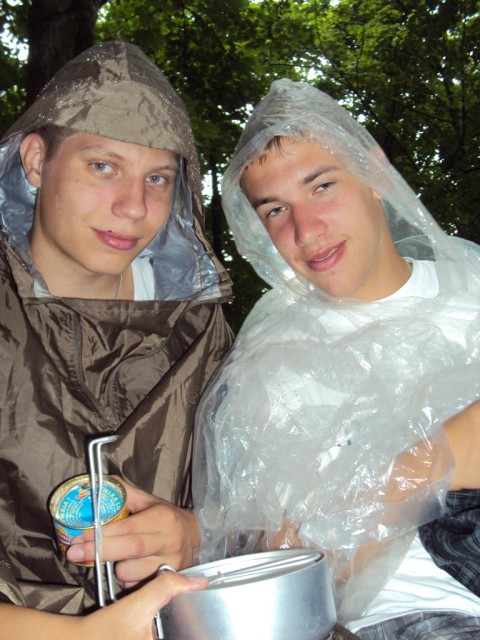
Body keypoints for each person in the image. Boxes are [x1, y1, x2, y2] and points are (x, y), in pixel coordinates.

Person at [193, 79, 480, 638]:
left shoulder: (470, 289)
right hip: (393, 620)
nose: (305, 231)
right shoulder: (269, 366)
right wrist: (433, 463)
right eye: (276, 210)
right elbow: (288, 567)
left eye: (322, 186)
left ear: (375, 174)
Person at [0, 40, 233, 638]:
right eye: (103, 166)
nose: (133, 207)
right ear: (35, 161)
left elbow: (265, 510)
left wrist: (197, 532)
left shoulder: (199, 331)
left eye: (158, 178)